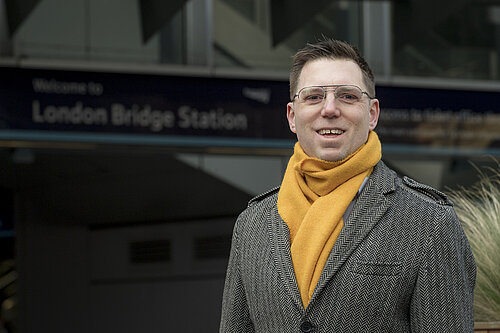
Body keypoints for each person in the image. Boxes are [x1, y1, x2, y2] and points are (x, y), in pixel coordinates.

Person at [219, 38, 476, 332]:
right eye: (314, 96)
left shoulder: (429, 223)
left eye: (348, 96)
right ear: (292, 116)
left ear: (372, 114)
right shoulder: (251, 225)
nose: (329, 109)